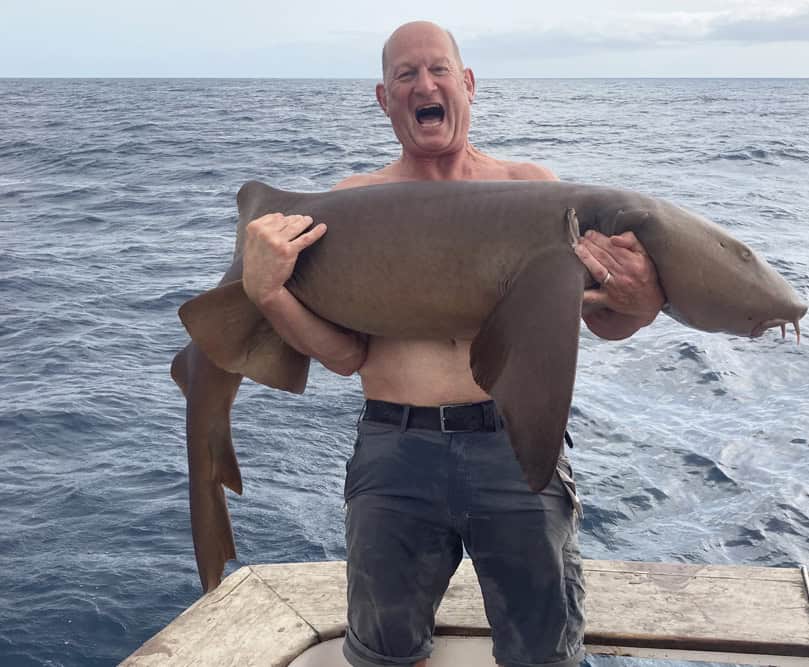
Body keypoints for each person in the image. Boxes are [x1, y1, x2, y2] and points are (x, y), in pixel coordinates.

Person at [241, 20, 666, 667]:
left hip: (512, 444)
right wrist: (269, 293)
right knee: (382, 654)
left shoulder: (533, 188)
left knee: (544, 654)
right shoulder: (351, 205)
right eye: (405, 75)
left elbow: (597, 318)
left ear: (466, 84)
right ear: (385, 99)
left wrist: (637, 306)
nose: (424, 84)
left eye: (437, 69)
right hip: (393, 450)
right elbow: (344, 355)